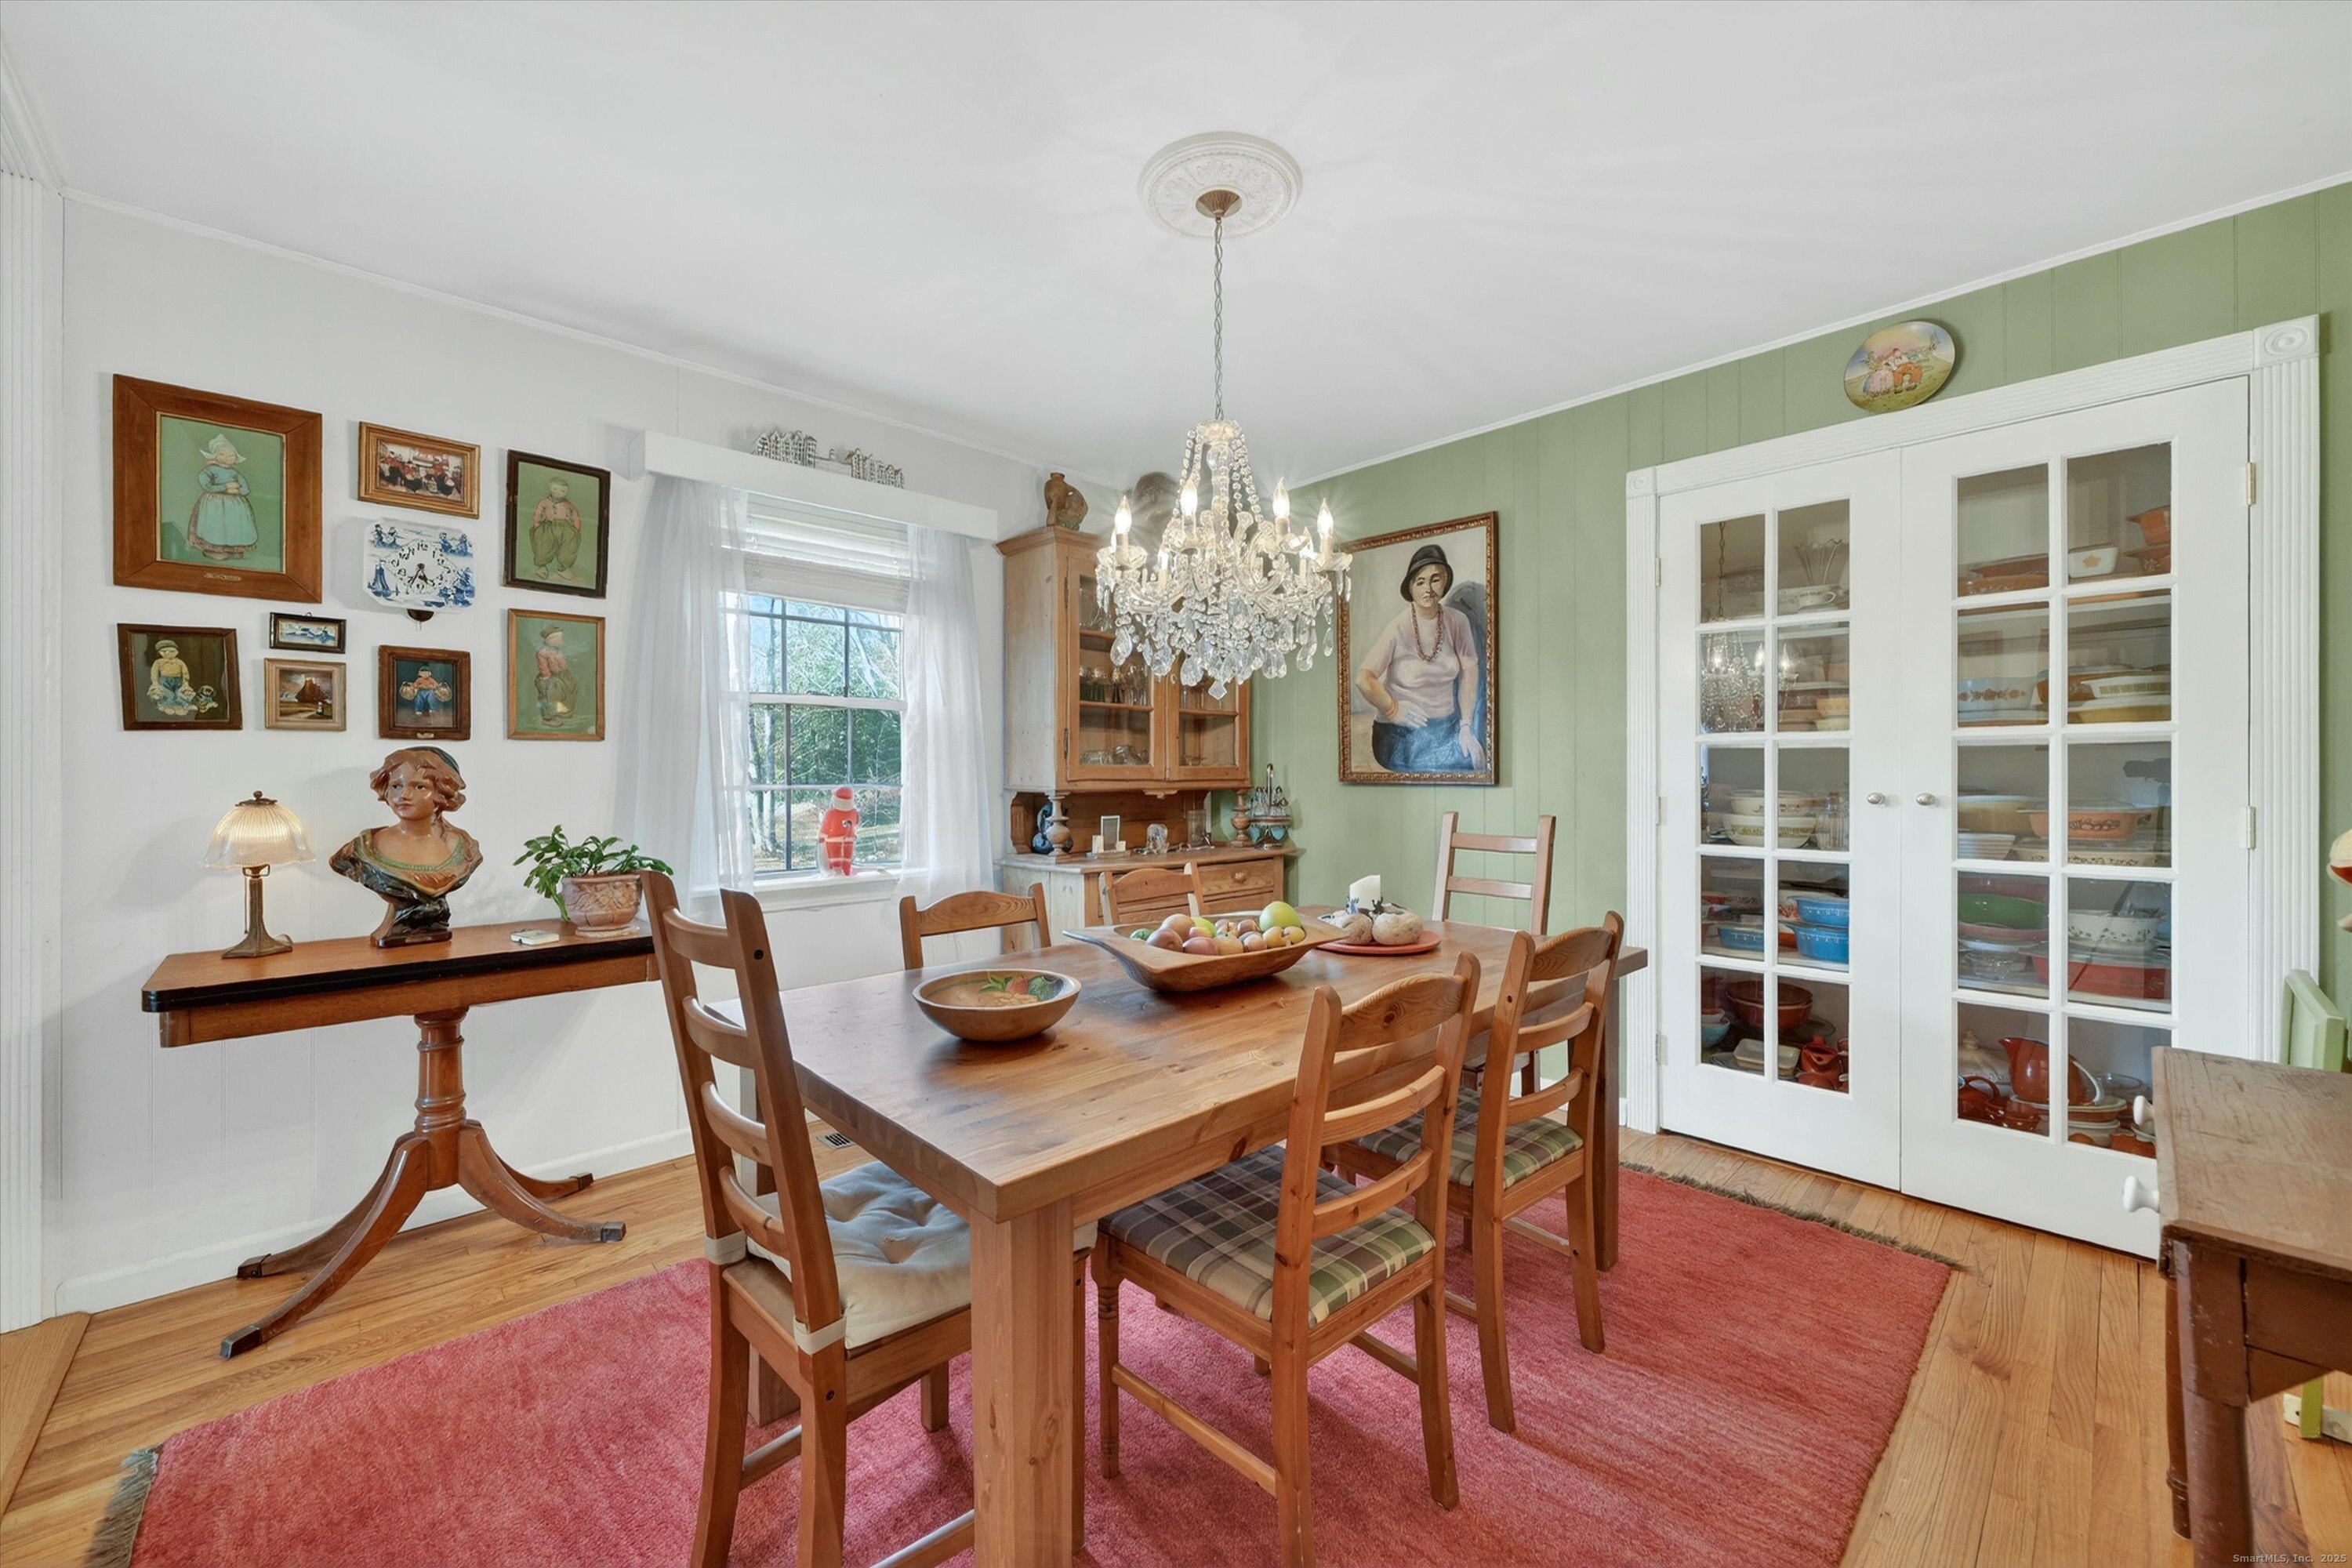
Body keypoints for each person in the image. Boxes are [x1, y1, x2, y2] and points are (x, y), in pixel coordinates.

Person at [1353, 543, 1487, 774]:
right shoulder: (1397, 627)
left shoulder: (1457, 622)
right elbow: (1364, 678)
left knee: (1474, 764)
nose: (1428, 589)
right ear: (1411, 587)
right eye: (1420, 581)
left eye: (1435, 579)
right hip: (1400, 734)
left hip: (1446, 730)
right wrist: (1393, 709)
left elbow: (1470, 670)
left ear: (1445, 582)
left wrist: (1466, 726)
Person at [328, 747, 484, 946]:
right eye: (395, 786)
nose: (404, 795)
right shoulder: (362, 849)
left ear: (442, 794)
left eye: (419, 787)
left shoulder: (463, 849)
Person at [186, 433, 260, 559]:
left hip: (236, 504)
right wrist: (225, 488)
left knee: (235, 524)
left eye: (231, 455)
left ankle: (235, 548)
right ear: (215, 456)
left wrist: (237, 491)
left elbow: (246, 489)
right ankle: (216, 550)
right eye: (222, 454)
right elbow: (206, 486)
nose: (227, 457)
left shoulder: (235, 472)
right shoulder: (209, 470)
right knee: (217, 525)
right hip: (215, 503)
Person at [528, 477, 584, 583]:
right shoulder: (544, 502)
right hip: (548, 526)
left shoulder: (569, 505)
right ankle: (542, 567)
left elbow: (576, 516)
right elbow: (538, 513)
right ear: (550, 488)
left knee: (569, 546)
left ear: (567, 492)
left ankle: (563, 568)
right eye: (555, 489)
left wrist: (576, 530)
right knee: (544, 544)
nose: (558, 493)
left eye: (562, 491)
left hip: (565, 528)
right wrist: (537, 526)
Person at [534, 625, 578, 724]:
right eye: (559, 638)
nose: (561, 641)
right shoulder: (542, 652)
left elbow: (563, 666)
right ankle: (548, 718)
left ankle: (563, 712)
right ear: (551, 640)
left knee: (572, 684)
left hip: (560, 675)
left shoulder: (558, 653)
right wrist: (547, 678)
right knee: (553, 689)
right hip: (547, 677)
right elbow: (544, 668)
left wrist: (566, 675)